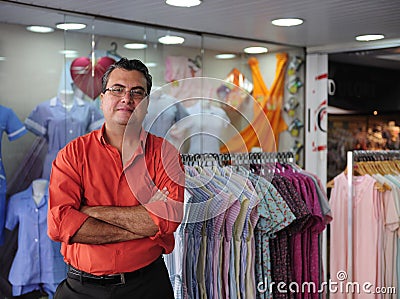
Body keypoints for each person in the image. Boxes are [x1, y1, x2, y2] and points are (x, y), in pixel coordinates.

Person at [47, 58, 185, 299]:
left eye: (137, 92)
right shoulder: (72, 154)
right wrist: (145, 221)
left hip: (147, 286)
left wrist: (91, 212)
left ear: (147, 102)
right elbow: (60, 225)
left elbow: (168, 220)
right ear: (102, 99)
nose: (126, 98)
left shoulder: (166, 154)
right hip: (81, 289)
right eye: (117, 89)